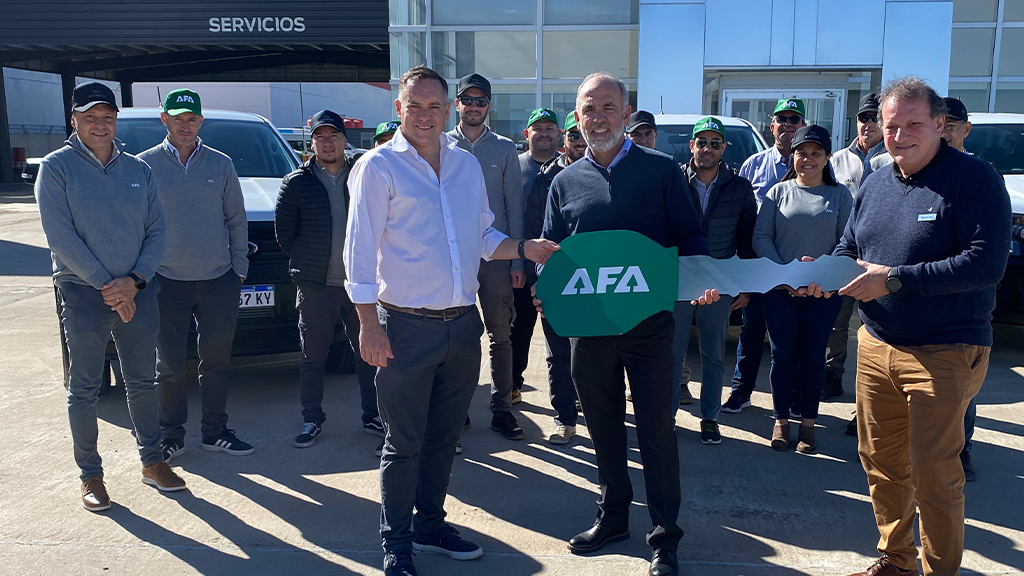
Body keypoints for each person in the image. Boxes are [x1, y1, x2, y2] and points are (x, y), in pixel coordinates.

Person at [344, 65, 558, 576]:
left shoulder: (465, 166)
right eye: (414, 106)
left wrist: (524, 247)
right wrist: (368, 325)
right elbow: (358, 252)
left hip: (462, 326)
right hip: (404, 327)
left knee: (444, 437)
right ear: (398, 109)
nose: (424, 115)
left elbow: (484, 237)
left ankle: (430, 524)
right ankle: (396, 543)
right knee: (404, 441)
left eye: (433, 106)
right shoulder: (377, 167)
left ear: (448, 110)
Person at [538, 72, 716, 576]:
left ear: (625, 112)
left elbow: (689, 234)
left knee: (657, 432)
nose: (598, 117)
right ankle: (613, 516)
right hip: (589, 330)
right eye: (589, 109)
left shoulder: (661, 171)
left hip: (649, 327)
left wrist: (698, 278)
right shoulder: (564, 181)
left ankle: (665, 538)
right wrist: (542, 282)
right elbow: (551, 251)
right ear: (578, 116)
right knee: (603, 430)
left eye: (608, 107)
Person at [835, 77, 1009, 576]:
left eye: (914, 124)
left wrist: (893, 281)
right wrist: (824, 271)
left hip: (945, 350)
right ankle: (896, 560)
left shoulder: (974, 179)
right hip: (876, 343)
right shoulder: (876, 180)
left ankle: (940, 570)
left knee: (935, 476)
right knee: (882, 464)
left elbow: (985, 264)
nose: (900, 135)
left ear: (939, 123)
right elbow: (851, 246)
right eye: (891, 126)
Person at [36, 81, 185, 511]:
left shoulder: (139, 169)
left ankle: (153, 462)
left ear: (115, 120)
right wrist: (109, 285)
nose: (100, 124)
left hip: (137, 290)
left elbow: (157, 231)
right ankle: (91, 475)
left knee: (142, 381)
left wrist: (134, 281)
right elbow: (60, 236)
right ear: (74, 121)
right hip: (85, 292)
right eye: (90, 117)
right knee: (84, 388)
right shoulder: (57, 167)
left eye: (106, 116)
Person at [138, 89, 252, 460]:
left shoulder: (220, 164)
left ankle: (215, 432)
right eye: (177, 118)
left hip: (218, 279)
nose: (184, 125)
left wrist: (238, 270)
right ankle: (171, 436)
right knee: (168, 365)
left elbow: (236, 219)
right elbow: (136, 224)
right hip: (165, 281)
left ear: (201, 121)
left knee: (216, 361)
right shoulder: (143, 166)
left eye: (191, 119)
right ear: (164, 120)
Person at [275, 109, 382, 449]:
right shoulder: (296, 183)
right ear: (312, 143)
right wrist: (309, 264)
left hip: (361, 283)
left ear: (344, 140)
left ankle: (373, 415)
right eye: (319, 137)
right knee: (313, 356)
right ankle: (312, 419)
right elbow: (284, 235)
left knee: (369, 352)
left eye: (333, 135)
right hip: (316, 285)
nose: (327, 142)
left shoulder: (363, 175)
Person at [753, 125, 852, 454]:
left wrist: (817, 273)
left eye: (815, 153)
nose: (807, 159)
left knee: (812, 358)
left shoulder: (840, 196)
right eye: (801, 152)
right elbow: (761, 238)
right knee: (782, 358)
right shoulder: (777, 193)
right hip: (779, 290)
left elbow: (847, 243)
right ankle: (781, 420)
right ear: (791, 156)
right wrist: (786, 274)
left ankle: (808, 424)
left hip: (823, 293)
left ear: (826, 158)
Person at [447, 73, 527, 440]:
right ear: (457, 104)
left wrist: (517, 260)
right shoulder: (442, 145)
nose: (474, 106)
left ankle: (502, 408)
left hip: (497, 257)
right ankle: (457, 410)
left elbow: (515, 207)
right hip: (456, 258)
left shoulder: (505, 148)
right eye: (468, 99)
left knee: (500, 334)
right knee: (457, 337)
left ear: (488, 106)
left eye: (481, 101)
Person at [675, 116, 757, 445]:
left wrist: (746, 285)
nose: (707, 149)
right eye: (701, 142)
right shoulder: (674, 181)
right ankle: (666, 417)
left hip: (719, 283)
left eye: (715, 143)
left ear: (724, 148)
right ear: (691, 145)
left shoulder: (739, 187)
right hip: (678, 280)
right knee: (672, 353)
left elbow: (747, 239)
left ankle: (709, 417)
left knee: (712, 354)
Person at [722, 98, 807, 415]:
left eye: (794, 119)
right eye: (781, 119)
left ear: (803, 127)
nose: (787, 125)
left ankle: (795, 396)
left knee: (793, 335)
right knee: (752, 330)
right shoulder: (753, 165)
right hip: (757, 264)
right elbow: (740, 219)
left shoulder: (811, 166)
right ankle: (741, 392)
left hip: (795, 264)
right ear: (771, 126)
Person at [523, 112, 585, 444]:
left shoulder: (605, 176)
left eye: (581, 135)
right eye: (572, 135)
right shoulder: (545, 181)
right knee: (558, 352)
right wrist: (540, 279)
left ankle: (593, 406)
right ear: (565, 139)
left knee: (593, 350)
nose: (578, 140)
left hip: (596, 280)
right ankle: (564, 417)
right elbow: (535, 234)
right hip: (557, 279)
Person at [823, 92, 886, 402]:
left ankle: (867, 396)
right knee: (837, 320)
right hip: (845, 253)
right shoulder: (837, 160)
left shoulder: (893, 159)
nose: (869, 123)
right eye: (864, 117)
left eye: (875, 117)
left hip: (879, 258)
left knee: (873, 328)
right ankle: (832, 375)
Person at [511, 107, 561, 405]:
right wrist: (516, 262)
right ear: (527, 134)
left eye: (549, 128)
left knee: (562, 334)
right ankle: (514, 383)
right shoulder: (514, 167)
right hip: (520, 264)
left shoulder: (568, 168)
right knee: (519, 329)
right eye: (537, 128)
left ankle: (569, 395)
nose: (543, 133)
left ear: (558, 134)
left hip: (559, 266)